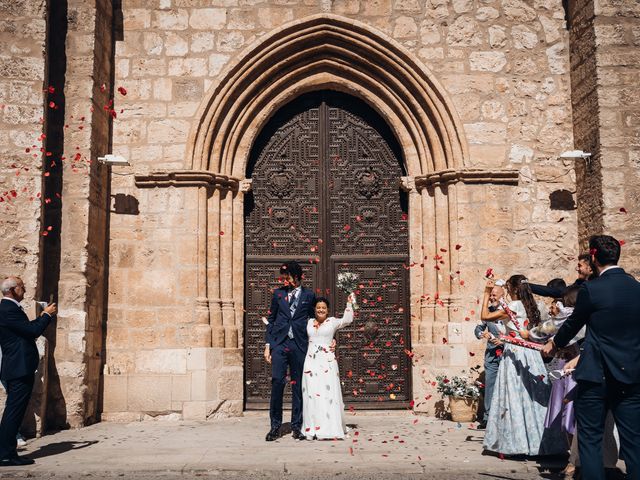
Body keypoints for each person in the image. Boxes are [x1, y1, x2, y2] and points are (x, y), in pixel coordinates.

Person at [542, 235, 640, 480]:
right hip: (631, 373)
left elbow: (573, 323)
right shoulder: (637, 288)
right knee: (634, 440)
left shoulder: (591, 289)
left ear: (594, 257)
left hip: (597, 375)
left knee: (590, 438)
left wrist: (554, 343)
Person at [481, 275, 565, 456]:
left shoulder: (513, 306)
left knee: (514, 395)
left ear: (514, 290)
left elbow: (485, 316)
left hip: (515, 353)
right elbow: (544, 329)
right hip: (532, 353)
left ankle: (517, 444)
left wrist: (487, 292)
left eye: (510, 288)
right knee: (534, 396)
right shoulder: (537, 306)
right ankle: (543, 442)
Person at [0, 277, 57, 466]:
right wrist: (46, 316)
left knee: (15, 411)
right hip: (18, 367)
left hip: (19, 366)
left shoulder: (11, 309)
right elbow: (32, 331)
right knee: (13, 412)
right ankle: (5, 454)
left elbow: (25, 330)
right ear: (13, 290)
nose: (24, 290)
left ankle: (8, 452)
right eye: (21, 287)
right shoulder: (8, 310)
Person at [264, 261, 316, 441]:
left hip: (299, 345)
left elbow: (314, 319)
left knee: (298, 386)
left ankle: (297, 426)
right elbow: (271, 319)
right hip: (279, 344)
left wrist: (328, 338)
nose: (284, 280)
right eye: (283, 277)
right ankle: (275, 426)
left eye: (288, 277)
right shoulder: (278, 294)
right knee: (278, 382)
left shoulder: (309, 295)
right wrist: (268, 345)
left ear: (297, 276)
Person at [301, 295, 354, 440]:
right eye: (318, 308)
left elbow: (347, 320)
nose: (321, 310)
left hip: (327, 362)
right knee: (312, 393)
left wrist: (349, 303)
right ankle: (313, 427)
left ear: (328, 309)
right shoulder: (309, 322)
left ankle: (329, 426)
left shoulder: (332, 322)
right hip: (311, 361)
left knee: (328, 393)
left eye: (323, 308)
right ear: (314, 309)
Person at [473, 284, 505, 430]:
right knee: (490, 385)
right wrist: (481, 334)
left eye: (494, 295)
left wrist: (503, 341)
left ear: (502, 295)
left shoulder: (509, 311)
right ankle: (487, 418)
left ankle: (504, 418)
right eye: (491, 295)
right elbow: (479, 328)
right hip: (492, 355)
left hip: (507, 354)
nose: (492, 297)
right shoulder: (488, 312)